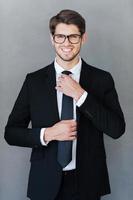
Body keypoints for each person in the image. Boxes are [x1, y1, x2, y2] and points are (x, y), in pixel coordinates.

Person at [4, 9, 125, 200]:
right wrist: (48, 133)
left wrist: (81, 95)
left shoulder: (102, 79)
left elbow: (117, 129)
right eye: (60, 37)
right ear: (52, 39)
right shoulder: (34, 81)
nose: (66, 43)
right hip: (44, 182)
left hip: (88, 183)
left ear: (83, 38)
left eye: (73, 37)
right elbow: (10, 133)